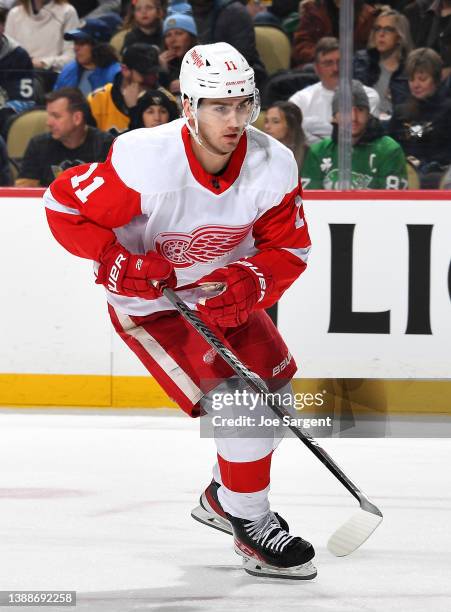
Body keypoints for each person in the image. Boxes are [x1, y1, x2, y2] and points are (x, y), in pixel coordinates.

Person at [43, 42, 316, 580]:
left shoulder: (274, 162)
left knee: (278, 400)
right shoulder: (145, 159)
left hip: (220, 297)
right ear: (188, 107)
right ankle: (252, 526)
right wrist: (116, 260)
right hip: (153, 306)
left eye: (243, 105)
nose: (235, 119)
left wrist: (251, 281)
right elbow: (63, 204)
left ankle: (223, 498)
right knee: (242, 403)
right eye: (219, 106)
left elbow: (289, 248)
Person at [302, 79, 408, 189]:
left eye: (360, 110)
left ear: (369, 115)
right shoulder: (319, 152)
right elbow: (309, 201)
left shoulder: (389, 150)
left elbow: (393, 202)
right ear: (334, 117)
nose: (353, 117)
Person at [289, 37, 380, 145]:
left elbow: (359, 136)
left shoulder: (368, 96)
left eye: (340, 62)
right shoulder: (299, 101)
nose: (335, 69)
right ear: (317, 68)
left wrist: (312, 129)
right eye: (328, 63)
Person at [16, 87, 114, 187]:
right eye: (49, 115)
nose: (48, 122)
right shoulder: (38, 145)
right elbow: (24, 191)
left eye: (56, 116)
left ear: (77, 118)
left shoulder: (105, 145)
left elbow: (115, 188)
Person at [389, 47, 451, 187]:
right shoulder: (401, 112)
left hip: (439, 177)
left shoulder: (448, 111)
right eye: (411, 79)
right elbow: (390, 147)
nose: (415, 85)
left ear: (436, 79)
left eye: (422, 79)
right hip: (404, 176)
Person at [88, 42, 165, 133]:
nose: (152, 78)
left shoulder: (166, 100)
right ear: (125, 70)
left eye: (154, 72)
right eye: (144, 73)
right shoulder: (98, 99)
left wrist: (134, 109)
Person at [353, 7, 413, 116]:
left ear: (399, 36)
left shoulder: (410, 70)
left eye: (388, 29)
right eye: (377, 29)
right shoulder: (360, 62)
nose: (381, 34)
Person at [292, 0, 377, 68]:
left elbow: (373, 52)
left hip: (355, 69)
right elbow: (301, 46)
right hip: (319, 68)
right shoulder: (314, 10)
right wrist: (325, 56)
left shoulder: (369, 15)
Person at [4, 0, 79, 72]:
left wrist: (44, 63)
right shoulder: (14, 14)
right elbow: (7, 55)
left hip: (53, 76)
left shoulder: (68, 12)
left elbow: (71, 57)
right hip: (19, 77)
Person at [54, 19, 121, 95]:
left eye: (82, 43)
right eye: (75, 43)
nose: (76, 48)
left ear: (98, 47)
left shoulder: (116, 74)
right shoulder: (68, 70)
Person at [0, 10, 35, 138]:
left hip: (6, 108)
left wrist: (5, 109)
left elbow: (25, 98)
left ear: (3, 27)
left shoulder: (18, 56)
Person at [263, 100, 308, 174]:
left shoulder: (309, 155)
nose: (267, 126)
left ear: (291, 125)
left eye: (275, 121)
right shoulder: (257, 154)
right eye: (266, 121)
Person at [159, 10, 198, 93]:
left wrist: (189, 85)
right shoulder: (162, 63)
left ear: (191, 38)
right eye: (168, 35)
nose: (172, 40)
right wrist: (162, 70)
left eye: (179, 33)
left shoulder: (206, 59)